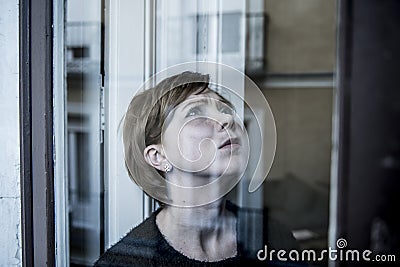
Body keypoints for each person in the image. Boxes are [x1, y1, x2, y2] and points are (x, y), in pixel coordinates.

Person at [94, 71, 303, 267]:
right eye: (194, 112)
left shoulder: (273, 236)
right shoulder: (126, 262)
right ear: (158, 156)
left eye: (224, 109)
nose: (228, 118)